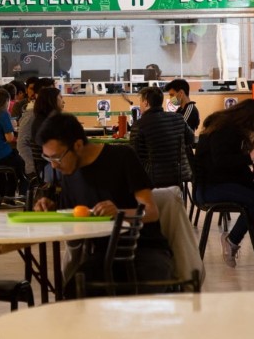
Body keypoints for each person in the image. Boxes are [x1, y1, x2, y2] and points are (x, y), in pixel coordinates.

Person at [33, 113, 173, 294]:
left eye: (57, 158)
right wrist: (50, 208)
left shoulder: (122, 157)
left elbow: (151, 211)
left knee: (144, 300)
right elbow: (73, 216)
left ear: (77, 145)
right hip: (104, 254)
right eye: (48, 158)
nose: (53, 165)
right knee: (72, 294)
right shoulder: (69, 172)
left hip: (145, 249)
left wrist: (119, 213)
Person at [193, 99, 254, 268]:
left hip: (225, 181)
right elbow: (220, 163)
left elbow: (232, 165)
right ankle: (231, 241)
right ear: (249, 119)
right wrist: (249, 157)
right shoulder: (223, 131)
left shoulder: (228, 128)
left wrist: (252, 159)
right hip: (210, 187)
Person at [129, 86, 194, 189]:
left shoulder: (139, 125)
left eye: (140, 102)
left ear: (146, 103)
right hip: (179, 175)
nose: (140, 105)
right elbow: (191, 139)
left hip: (152, 179)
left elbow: (134, 156)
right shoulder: (178, 118)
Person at [17, 86, 63, 179]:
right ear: (52, 101)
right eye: (60, 98)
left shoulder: (40, 119)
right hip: (48, 169)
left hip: (42, 168)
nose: (63, 101)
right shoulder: (48, 123)